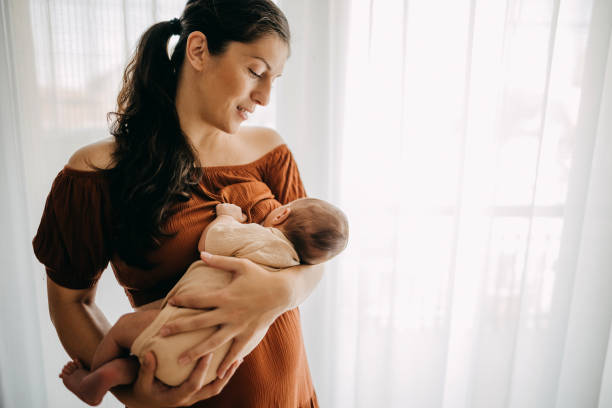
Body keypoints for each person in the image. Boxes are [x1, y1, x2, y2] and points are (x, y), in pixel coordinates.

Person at [32, 1, 328, 406]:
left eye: (274, 79)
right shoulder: (97, 173)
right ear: (199, 49)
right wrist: (133, 392)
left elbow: (314, 261)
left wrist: (278, 291)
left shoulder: (270, 151)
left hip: (293, 397)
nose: (264, 96)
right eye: (255, 72)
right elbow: (71, 302)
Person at [58, 198, 348, 405]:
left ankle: (92, 379)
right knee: (152, 362)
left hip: (181, 333)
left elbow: (212, 242)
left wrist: (228, 216)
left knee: (124, 329)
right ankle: (112, 374)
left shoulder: (262, 237)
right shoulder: (293, 264)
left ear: (281, 214)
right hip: (212, 366)